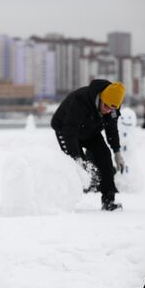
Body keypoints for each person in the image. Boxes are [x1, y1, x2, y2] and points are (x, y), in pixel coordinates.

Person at [51, 79, 126, 211]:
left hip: (90, 130)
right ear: (101, 99)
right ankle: (63, 203)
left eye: (112, 108)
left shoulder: (113, 104)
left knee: (104, 155)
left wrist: (117, 152)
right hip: (65, 129)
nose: (108, 111)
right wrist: (77, 157)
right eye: (106, 107)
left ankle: (109, 200)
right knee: (76, 165)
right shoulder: (81, 100)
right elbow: (70, 129)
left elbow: (111, 129)